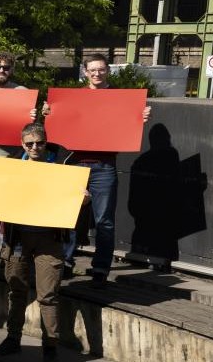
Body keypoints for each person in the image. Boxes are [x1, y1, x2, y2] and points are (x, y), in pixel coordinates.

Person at [48, 54, 150, 286]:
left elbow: (129, 124)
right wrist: (49, 112)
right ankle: (66, 261)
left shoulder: (120, 99)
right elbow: (57, 122)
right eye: (92, 70)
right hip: (75, 164)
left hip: (104, 166)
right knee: (69, 216)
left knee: (104, 221)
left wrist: (140, 117)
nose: (97, 74)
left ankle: (101, 267)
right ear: (85, 72)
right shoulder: (74, 98)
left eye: (101, 70)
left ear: (108, 71)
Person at [0, 124, 71, 361]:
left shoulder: (62, 166)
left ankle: (50, 347)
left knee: (48, 295)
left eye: (39, 142)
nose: (34, 147)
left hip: (50, 238)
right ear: (22, 144)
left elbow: (74, 201)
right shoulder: (10, 166)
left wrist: (82, 200)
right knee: (17, 291)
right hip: (17, 237)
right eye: (29, 143)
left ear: (46, 141)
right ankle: (13, 339)